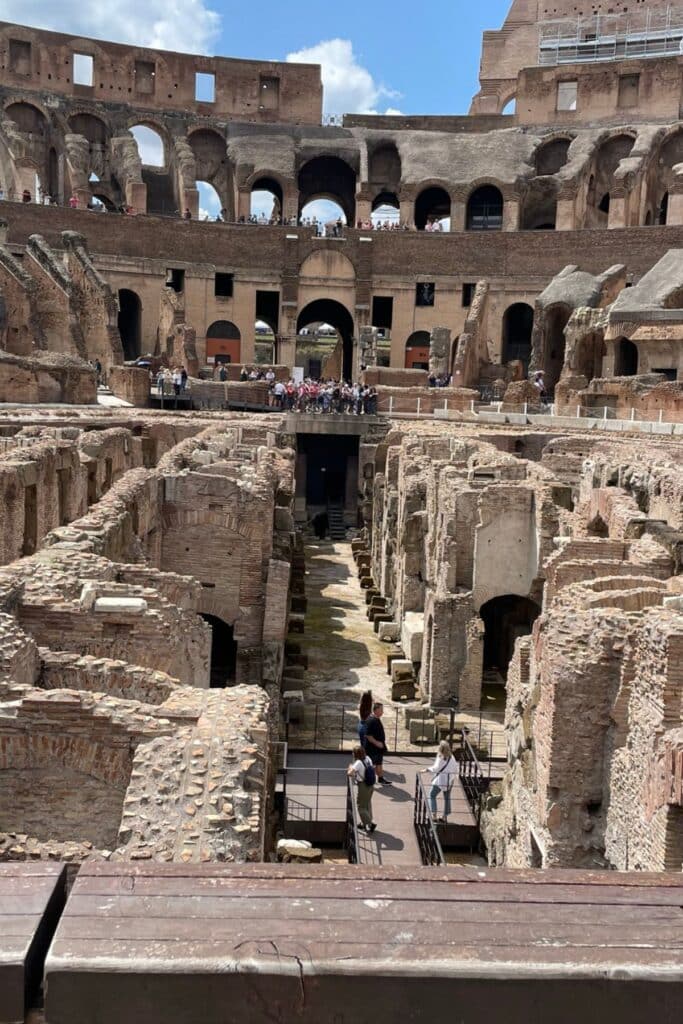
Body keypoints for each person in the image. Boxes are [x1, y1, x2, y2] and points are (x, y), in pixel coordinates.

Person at [422, 740, 457, 822]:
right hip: (449, 780)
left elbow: (435, 768)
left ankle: (434, 815)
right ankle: (444, 816)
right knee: (447, 798)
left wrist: (426, 770)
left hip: (441, 781)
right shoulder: (452, 757)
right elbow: (455, 768)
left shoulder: (441, 757)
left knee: (432, 795)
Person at [347, 745, 377, 832]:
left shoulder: (358, 763)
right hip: (370, 784)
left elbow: (350, 773)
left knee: (361, 807)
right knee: (367, 804)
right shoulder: (368, 758)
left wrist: (350, 767)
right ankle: (364, 823)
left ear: (355, 754)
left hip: (363, 786)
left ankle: (370, 823)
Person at [364, 702, 390, 784]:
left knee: (379, 763)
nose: (383, 712)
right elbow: (368, 735)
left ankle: (380, 778)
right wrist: (377, 743)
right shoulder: (371, 720)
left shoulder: (375, 719)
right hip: (372, 748)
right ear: (376, 710)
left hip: (378, 748)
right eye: (381, 710)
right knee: (370, 765)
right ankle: (366, 780)